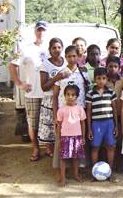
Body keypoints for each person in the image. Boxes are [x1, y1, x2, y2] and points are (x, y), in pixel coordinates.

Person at [8, 21, 48, 162]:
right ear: (35, 31)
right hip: (32, 93)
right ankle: (35, 148)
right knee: (33, 123)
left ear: (46, 31)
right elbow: (12, 65)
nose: (41, 32)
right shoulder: (26, 49)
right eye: (39, 30)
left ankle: (48, 147)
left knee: (47, 122)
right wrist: (20, 84)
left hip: (48, 93)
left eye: (43, 30)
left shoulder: (51, 49)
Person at [53, 45, 89, 174]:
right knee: (62, 144)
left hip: (79, 112)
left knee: (78, 143)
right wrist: (54, 115)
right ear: (65, 57)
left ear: (78, 57)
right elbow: (55, 95)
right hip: (64, 114)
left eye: (74, 56)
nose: (72, 58)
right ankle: (61, 171)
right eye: (69, 56)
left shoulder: (83, 72)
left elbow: (88, 90)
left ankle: (78, 170)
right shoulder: (61, 73)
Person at [86, 67, 119, 182]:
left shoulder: (111, 92)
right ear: (94, 79)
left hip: (109, 123)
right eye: (98, 78)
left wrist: (116, 126)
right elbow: (89, 112)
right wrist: (89, 128)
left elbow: (114, 109)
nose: (101, 81)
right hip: (96, 124)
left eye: (104, 78)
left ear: (107, 79)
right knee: (95, 147)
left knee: (110, 147)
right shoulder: (90, 93)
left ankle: (110, 173)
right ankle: (94, 173)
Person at [38, 38, 67, 158]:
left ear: (62, 48)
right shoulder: (45, 64)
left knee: (62, 124)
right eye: (54, 48)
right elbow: (44, 87)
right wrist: (56, 78)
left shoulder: (66, 62)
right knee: (50, 124)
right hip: (50, 99)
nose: (56, 50)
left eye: (59, 47)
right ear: (50, 50)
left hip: (64, 98)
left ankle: (60, 147)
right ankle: (49, 149)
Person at [56, 84, 86, 187]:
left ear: (77, 96)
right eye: (68, 94)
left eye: (73, 95)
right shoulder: (61, 110)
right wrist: (59, 138)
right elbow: (59, 125)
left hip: (77, 137)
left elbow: (83, 123)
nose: (70, 97)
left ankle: (76, 174)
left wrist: (83, 137)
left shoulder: (80, 109)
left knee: (76, 158)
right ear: (64, 95)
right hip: (65, 137)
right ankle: (63, 178)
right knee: (63, 158)